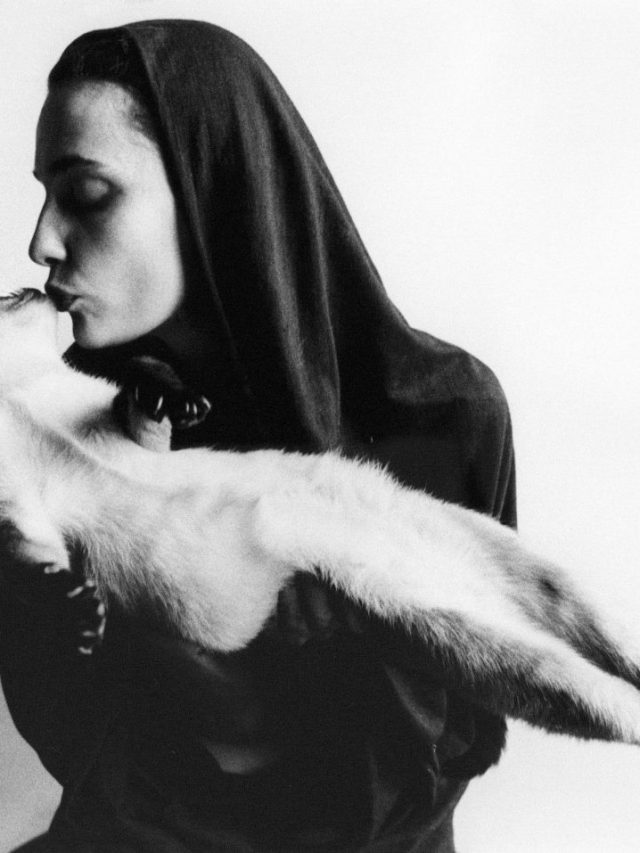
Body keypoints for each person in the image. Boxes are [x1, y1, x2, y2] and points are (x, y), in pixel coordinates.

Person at [4, 19, 517, 852]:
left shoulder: (444, 414)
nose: (42, 242)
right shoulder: (62, 421)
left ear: (214, 188)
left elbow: (444, 746)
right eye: (43, 194)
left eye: (88, 194)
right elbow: (70, 727)